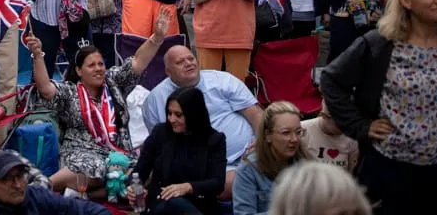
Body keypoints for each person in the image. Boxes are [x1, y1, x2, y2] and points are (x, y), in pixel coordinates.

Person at [321, 0, 437, 213]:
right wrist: (361, 125)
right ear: (406, 1)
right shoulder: (379, 43)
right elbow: (331, 80)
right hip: (389, 172)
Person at [27, 10, 170, 190]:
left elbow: (137, 62)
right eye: (92, 65)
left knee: (151, 169)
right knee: (91, 169)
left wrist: (156, 37)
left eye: (101, 64)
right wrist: (38, 54)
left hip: (117, 153)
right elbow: (45, 89)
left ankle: (92, 193)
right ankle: (44, 186)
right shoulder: (70, 91)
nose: (98, 69)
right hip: (82, 155)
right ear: (79, 71)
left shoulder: (113, 83)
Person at [142, 46, 263, 195]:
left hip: (250, 150)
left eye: (191, 58)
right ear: (168, 72)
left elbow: (256, 114)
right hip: (204, 165)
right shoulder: (155, 100)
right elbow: (161, 144)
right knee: (234, 184)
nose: (189, 63)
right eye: (180, 62)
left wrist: (260, 139)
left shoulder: (223, 80)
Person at [130, 87, 227, 214]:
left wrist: (188, 187)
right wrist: (133, 188)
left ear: (193, 115)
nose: (171, 119)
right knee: (175, 203)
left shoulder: (214, 139)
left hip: (198, 205)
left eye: (178, 115)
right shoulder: (161, 133)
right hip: (162, 204)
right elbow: (139, 172)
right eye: (169, 113)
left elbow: (217, 183)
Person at [0, 150, 103, 215]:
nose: (17, 185)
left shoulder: (36, 196)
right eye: (8, 180)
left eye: (20, 176)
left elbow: (84, 209)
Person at [232, 101, 310, 215]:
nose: (294, 139)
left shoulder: (306, 165)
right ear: (267, 135)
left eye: (298, 132)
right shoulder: (248, 170)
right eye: (286, 133)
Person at [300, 98, 358, 174]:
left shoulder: (351, 135)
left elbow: (351, 172)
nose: (345, 127)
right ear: (324, 116)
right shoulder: (303, 130)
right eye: (340, 123)